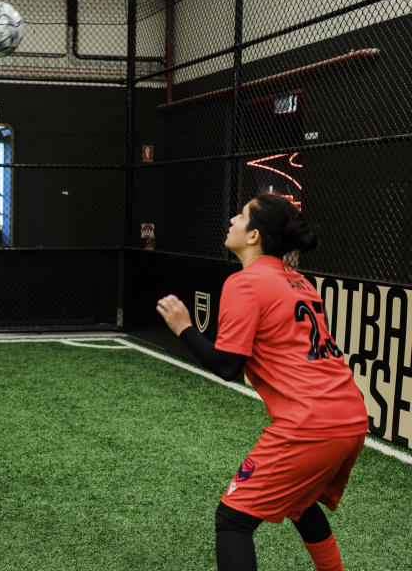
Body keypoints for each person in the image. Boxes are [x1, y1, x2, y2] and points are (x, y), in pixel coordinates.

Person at [156, 194, 367, 571]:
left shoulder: (245, 283)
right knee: (299, 503)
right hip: (350, 417)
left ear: (254, 236)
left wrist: (183, 327)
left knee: (233, 519)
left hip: (310, 423)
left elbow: (227, 367)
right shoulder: (300, 281)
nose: (232, 220)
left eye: (240, 216)